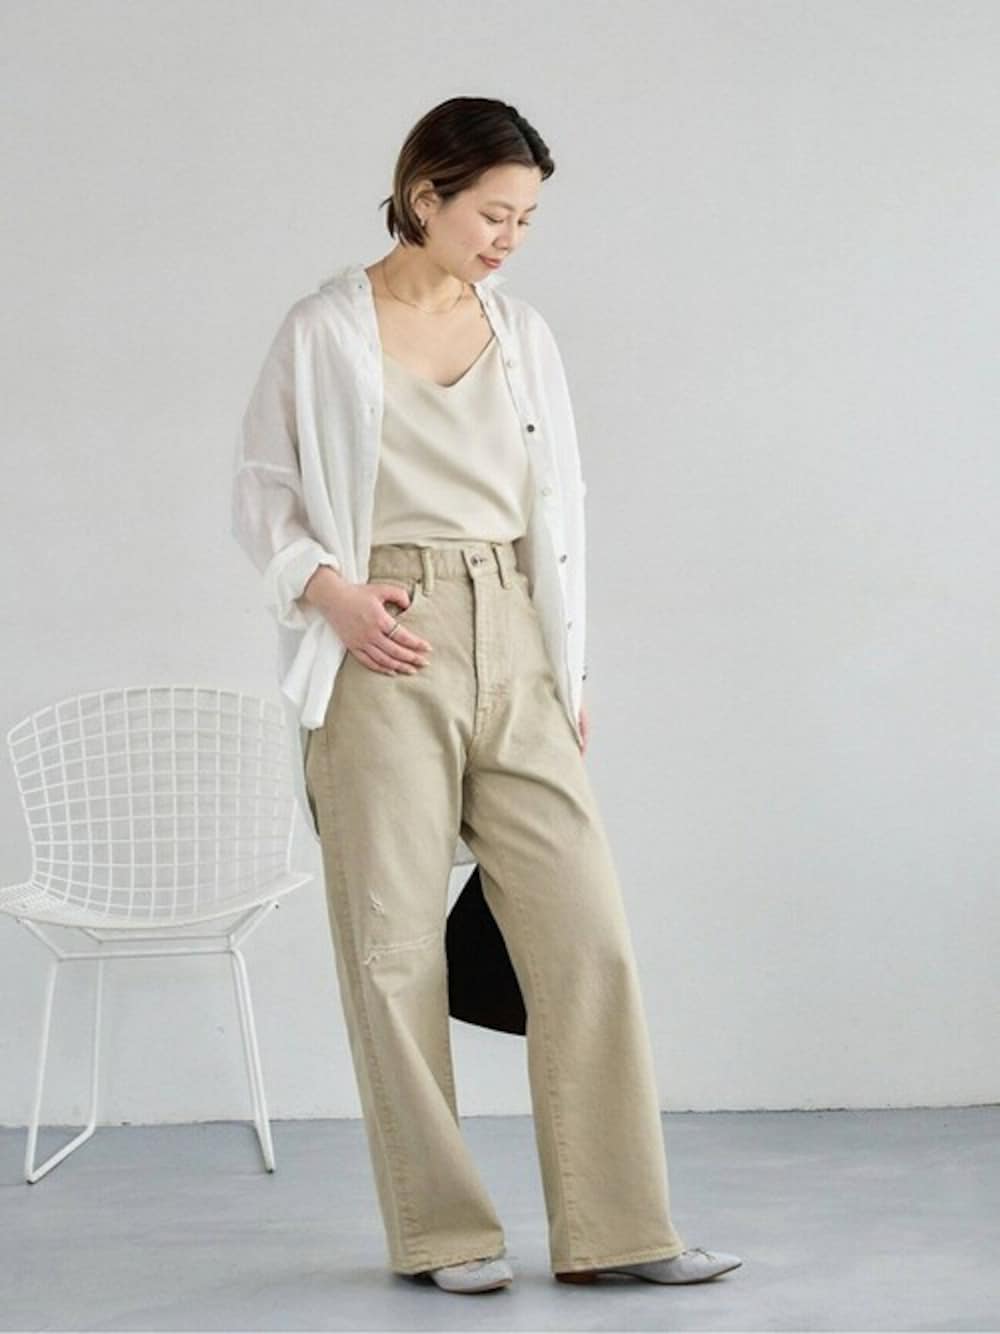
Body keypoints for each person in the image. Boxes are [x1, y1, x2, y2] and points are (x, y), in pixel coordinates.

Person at [232, 95, 742, 1295]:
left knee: (584, 935)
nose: (511, 238)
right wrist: (332, 595)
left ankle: (619, 1226)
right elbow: (261, 492)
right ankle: (443, 1231)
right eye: (494, 214)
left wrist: (565, 670)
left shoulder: (521, 333)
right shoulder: (324, 328)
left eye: (526, 219)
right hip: (384, 640)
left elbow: (555, 510)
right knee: (394, 946)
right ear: (426, 196)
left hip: (510, 627)